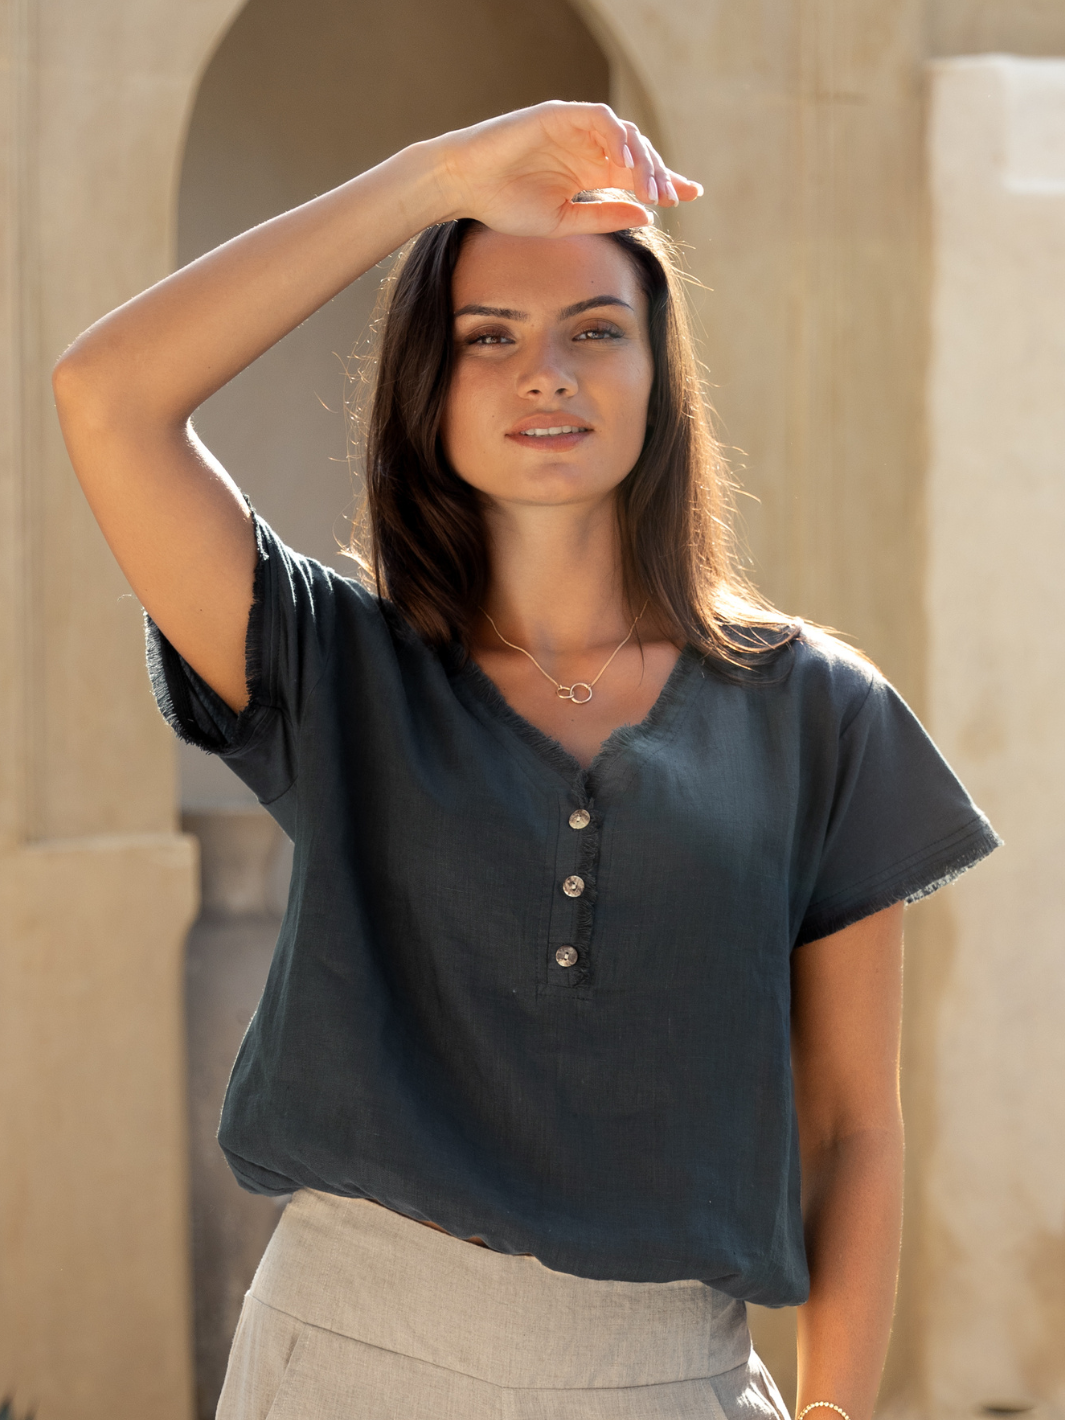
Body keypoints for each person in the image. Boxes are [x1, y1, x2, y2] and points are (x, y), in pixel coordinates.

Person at [53, 102, 1000, 1420]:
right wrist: (435, 179)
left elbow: (854, 1131)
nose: (545, 373)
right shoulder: (333, 663)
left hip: (674, 1382)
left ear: (660, 374)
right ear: (425, 392)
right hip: (347, 1368)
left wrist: (835, 1409)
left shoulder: (819, 712)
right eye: (485, 338)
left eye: (594, 332)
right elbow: (106, 397)